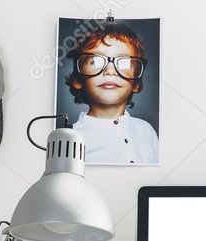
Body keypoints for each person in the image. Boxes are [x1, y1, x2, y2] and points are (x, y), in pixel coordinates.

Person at [65, 21, 159, 165]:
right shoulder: (72, 138)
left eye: (124, 62)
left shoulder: (147, 130)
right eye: (95, 61)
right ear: (78, 79)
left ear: (136, 83)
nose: (110, 71)